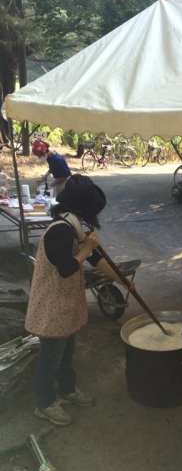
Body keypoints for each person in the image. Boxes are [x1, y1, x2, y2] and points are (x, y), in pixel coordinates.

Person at [25, 174, 135, 426]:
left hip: (66, 305)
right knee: (51, 358)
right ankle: (44, 404)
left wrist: (123, 281)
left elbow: (97, 260)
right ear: (82, 209)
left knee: (67, 353)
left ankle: (67, 389)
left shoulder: (73, 227)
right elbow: (66, 269)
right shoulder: (60, 231)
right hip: (51, 308)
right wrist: (86, 249)